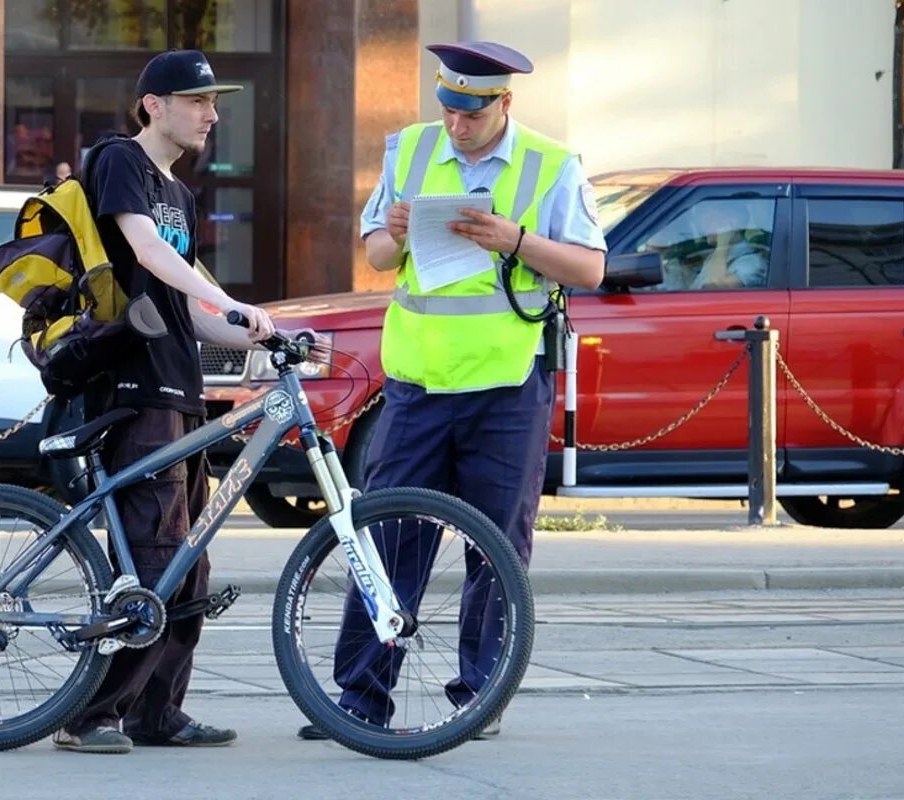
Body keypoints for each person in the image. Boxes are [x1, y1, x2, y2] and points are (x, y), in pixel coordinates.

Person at [297, 41, 608, 742]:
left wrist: (515, 239)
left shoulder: (552, 165)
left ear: (505, 103)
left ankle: (481, 696)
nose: (456, 125)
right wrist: (397, 234)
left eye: (471, 112)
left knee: (495, 548)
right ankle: (361, 698)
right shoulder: (409, 150)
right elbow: (375, 251)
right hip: (417, 385)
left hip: (506, 387)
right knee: (386, 539)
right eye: (447, 108)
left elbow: (590, 268)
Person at [52, 48, 276, 755]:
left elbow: (191, 308)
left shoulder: (181, 194)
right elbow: (148, 254)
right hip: (132, 387)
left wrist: (262, 337)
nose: (212, 115)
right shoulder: (120, 161)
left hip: (179, 390)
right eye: (198, 101)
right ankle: (89, 716)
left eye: (214, 102)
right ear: (154, 105)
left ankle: (157, 712)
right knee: (156, 559)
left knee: (189, 564)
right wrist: (227, 297)